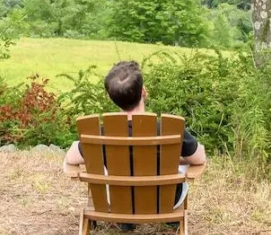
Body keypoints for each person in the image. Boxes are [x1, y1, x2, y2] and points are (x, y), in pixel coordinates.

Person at [63, 61, 206, 214]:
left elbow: (70, 159)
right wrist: (171, 158)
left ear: (109, 97)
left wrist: (95, 154)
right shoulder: (170, 129)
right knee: (179, 168)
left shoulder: (100, 135)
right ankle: (170, 219)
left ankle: (127, 220)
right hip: (166, 202)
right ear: (143, 91)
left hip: (119, 201)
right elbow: (199, 159)